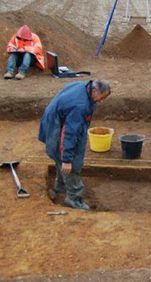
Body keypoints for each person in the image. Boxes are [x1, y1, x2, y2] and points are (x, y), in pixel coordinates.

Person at [38, 79, 111, 210]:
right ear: (94, 91)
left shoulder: (84, 86)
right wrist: (67, 160)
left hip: (55, 119)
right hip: (57, 126)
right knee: (70, 163)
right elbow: (69, 134)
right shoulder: (79, 106)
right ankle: (73, 198)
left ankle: (60, 185)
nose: (102, 101)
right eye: (102, 97)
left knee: (61, 156)